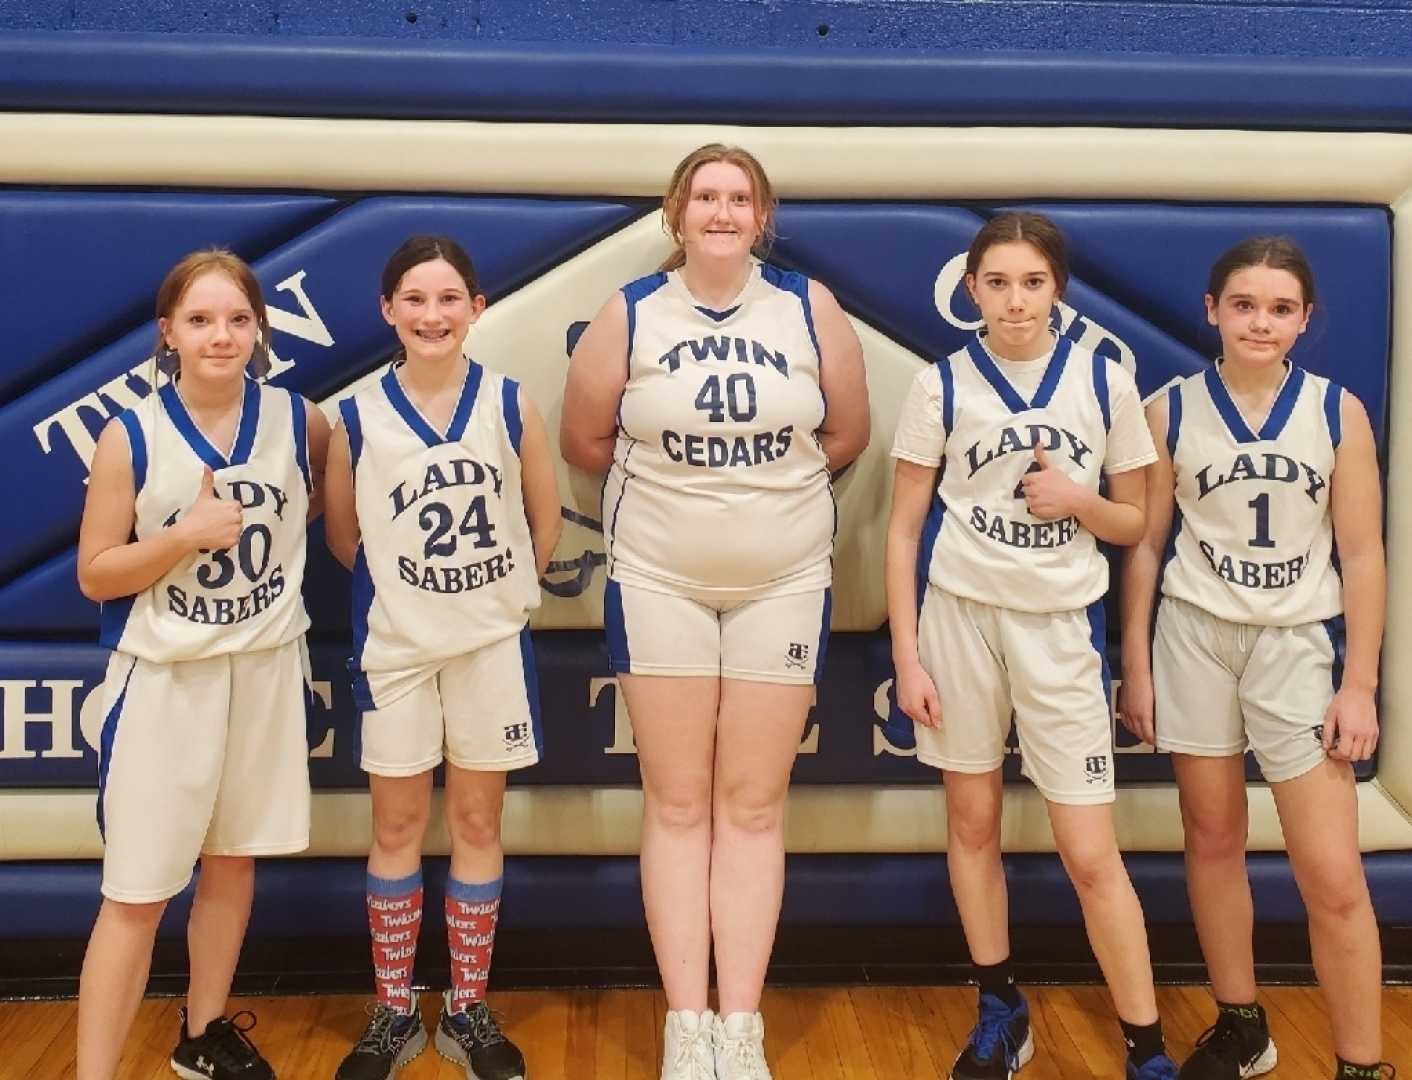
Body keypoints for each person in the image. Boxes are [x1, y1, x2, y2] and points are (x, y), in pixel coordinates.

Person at [561, 143, 869, 1080]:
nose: (723, 211)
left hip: (784, 580)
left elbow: (848, 432)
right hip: (658, 578)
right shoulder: (631, 311)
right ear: (676, 213)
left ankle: (741, 1025)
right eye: (707, 196)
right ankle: (684, 1022)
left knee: (751, 803)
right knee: (681, 800)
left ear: (762, 215)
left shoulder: (808, 307)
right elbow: (584, 436)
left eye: (740, 197)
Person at [886, 212, 1179, 1080]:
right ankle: (1000, 1008)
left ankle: (1146, 1047)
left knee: (1091, 852)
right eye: (998, 283)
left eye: (1033, 283)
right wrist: (907, 656)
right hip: (960, 621)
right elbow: (902, 530)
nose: (1015, 302)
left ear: (1060, 290)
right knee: (972, 824)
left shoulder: (1104, 381)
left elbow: (1135, 523)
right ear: (970, 289)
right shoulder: (940, 383)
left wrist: (1080, 501)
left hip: (1060, 628)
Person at [1119, 236, 1388, 1080]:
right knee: (1212, 836)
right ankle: (1243, 1025)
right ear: (1212, 310)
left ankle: (1361, 1063)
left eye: (1279, 308)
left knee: (1332, 873)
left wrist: (1361, 684)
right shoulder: (1170, 410)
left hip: (1295, 645)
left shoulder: (1336, 412)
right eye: (1243, 304)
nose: (1259, 322)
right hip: (1194, 637)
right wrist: (1135, 656)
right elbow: (1148, 546)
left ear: (1305, 319)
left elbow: (1366, 554)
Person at [74, 249, 329, 1080]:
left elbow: (323, 505)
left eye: (237, 319)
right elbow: (95, 572)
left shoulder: (301, 420)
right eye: (200, 320)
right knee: (138, 896)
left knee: (231, 864)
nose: (221, 335)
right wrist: (182, 537)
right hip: (165, 680)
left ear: (259, 329)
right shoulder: (132, 434)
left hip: (260, 672)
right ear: (168, 334)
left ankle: (203, 1034)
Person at [325, 234, 561, 1080]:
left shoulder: (508, 403)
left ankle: (465, 1009)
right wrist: (419, 595)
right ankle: (393, 1011)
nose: (433, 314)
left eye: (449, 298)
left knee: (475, 825)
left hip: (489, 645)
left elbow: (546, 521)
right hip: (394, 651)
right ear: (388, 310)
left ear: (477, 309)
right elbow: (346, 539)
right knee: (393, 827)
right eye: (415, 300)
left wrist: (483, 598)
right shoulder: (354, 415)